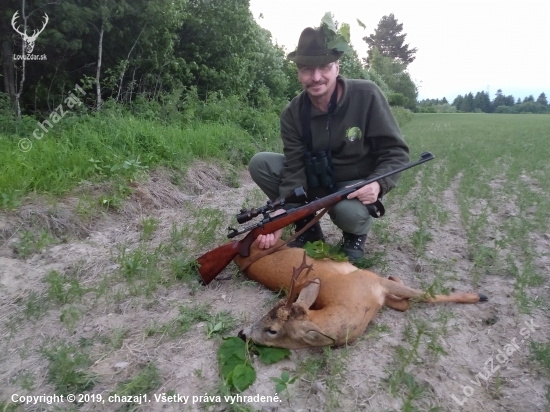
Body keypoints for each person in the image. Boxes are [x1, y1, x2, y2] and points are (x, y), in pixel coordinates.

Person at [248, 26, 410, 260]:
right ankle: (307, 228)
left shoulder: (368, 95)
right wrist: (282, 213)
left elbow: (395, 152)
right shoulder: (292, 113)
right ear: (298, 73)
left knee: (349, 213)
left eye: (324, 67)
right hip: (315, 181)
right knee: (261, 163)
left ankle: (354, 236)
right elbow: (294, 168)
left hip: (353, 186)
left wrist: (378, 184)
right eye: (307, 69)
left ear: (337, 67)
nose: (316, 77)